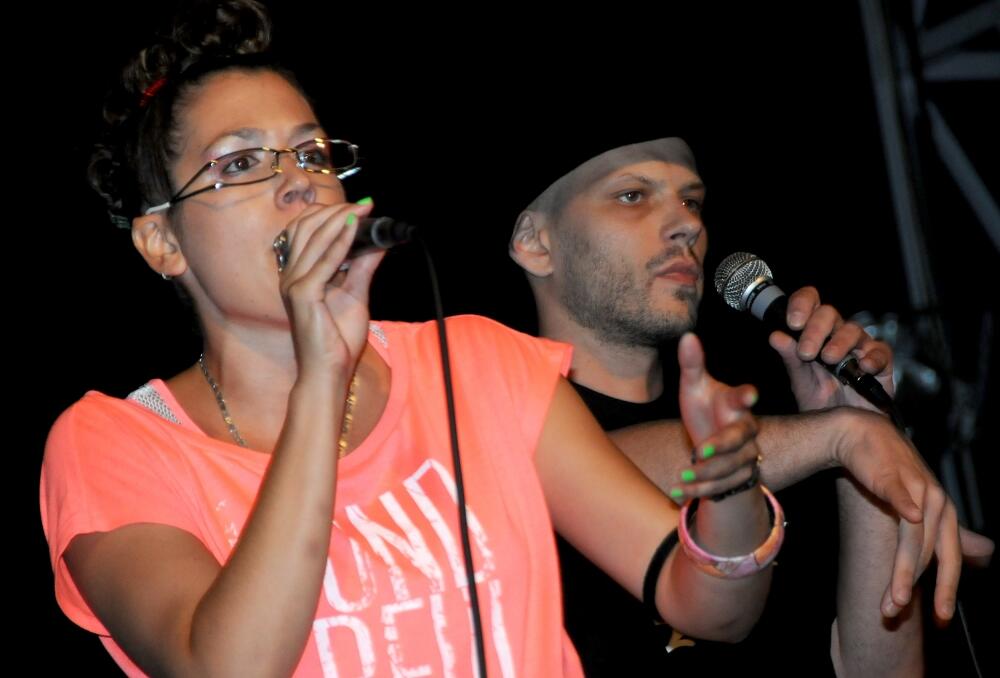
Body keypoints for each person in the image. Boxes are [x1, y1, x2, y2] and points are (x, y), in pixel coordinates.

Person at [39, 2, 783, 676]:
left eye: (312, 155)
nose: (299, 184)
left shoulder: (476, 363)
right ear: (163, 241)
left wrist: (729, 490)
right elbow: (227, 667)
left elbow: (714, 611)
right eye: (239, 164)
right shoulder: (114, 444)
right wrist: (321, 376)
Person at [508, 137, 995, 676]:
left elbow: (876, 672)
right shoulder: (487, 422)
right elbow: (556, 473)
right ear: (536, 243)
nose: (687, 224)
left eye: (692, 201)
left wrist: (861, 423)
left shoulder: (786, 439)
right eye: (632, 196)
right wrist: (839, 435)